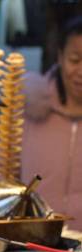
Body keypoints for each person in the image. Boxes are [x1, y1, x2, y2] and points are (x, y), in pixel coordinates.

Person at [22, 16, 82, 231]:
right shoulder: (29, 107)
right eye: (75, 60)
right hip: (31, 240)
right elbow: (3, 176)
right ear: (60, 57)